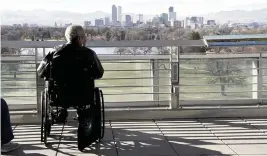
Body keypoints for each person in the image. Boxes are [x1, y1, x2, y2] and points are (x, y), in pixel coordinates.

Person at [37, 25, 104, 151]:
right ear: (78, 38)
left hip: (59, 97)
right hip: (84, 98)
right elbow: (99, 73)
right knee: (89, 97)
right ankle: (86, 125)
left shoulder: (53, 52)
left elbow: (40, 72)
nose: (86, 40)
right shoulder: (89, 54)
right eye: (84, 37)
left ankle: (59, 115)